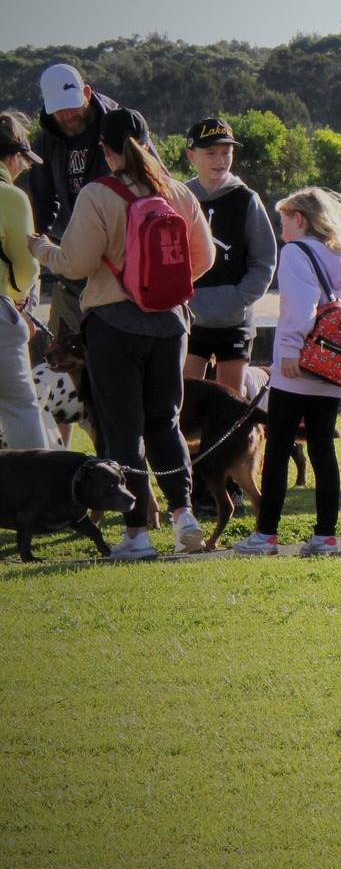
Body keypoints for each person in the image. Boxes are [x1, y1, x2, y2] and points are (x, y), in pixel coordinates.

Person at [29, 107, 214, 559]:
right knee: (165, 423)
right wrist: (160, 287)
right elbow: (205, 258)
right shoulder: (177, 193)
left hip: (113, 326)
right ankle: (184, 516)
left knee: (124, 430)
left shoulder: (97, 194)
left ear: (105, 150)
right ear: (148, 142)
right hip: (170, 325)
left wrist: (42, 250)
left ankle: (137, 535)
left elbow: (74, 264)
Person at [234, 188, 341, 557]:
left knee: (279, 448)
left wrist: (290, 350)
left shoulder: (296, 253)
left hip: (296, 367)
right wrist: (337, 348)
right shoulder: (340, 258)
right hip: (330, 372)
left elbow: (299, 306)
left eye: (284, 219)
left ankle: (266, 535)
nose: (281, 227)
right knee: (322, 449)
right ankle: (325, 537)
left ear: (300, 219)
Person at [23, 63, 123, 338]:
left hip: (120, 263)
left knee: (109, 351)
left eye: (72, 105)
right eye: (59, 109)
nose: (67, 116)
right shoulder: (47, 140)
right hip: (74, 258)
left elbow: (154, 182)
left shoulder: (120, 124)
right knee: (63, 352)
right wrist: (37, 248)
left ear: (87, 93)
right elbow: (42, 202)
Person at [182, 117, 278, 394]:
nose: (219, 160)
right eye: (210, 153)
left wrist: (240, 298)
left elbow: (264, 260)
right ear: (191, 155)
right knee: (187, 399)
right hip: (191, 316)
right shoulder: (181, 197)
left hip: (235, 318)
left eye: (226, 152)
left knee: (230, 400)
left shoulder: (246, 199)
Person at [0, 112, 49, 449]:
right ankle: (38, 501)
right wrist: (15, 297)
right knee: (20, 408)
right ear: (14, 156)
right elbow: (27, 267)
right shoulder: (12, 197)